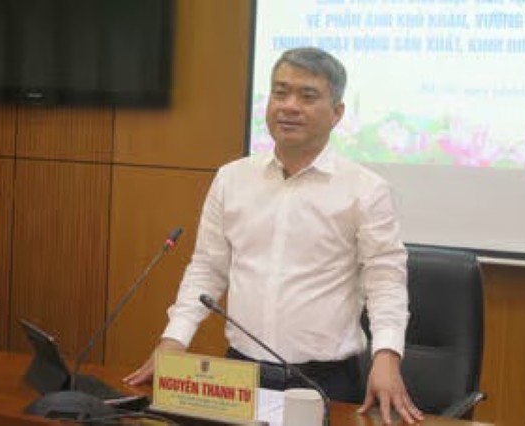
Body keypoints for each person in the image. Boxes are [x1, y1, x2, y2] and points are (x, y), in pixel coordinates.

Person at [124, 47, 423, 425]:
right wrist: (174, 340)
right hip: (239, 375)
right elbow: (207, 270)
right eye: (280, 93)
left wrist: (387, 356)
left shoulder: (365, 190)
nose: (289, 106)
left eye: (307, 96)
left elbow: (386, 283)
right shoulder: (232, 178)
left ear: (337, 113)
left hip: (325, 381)